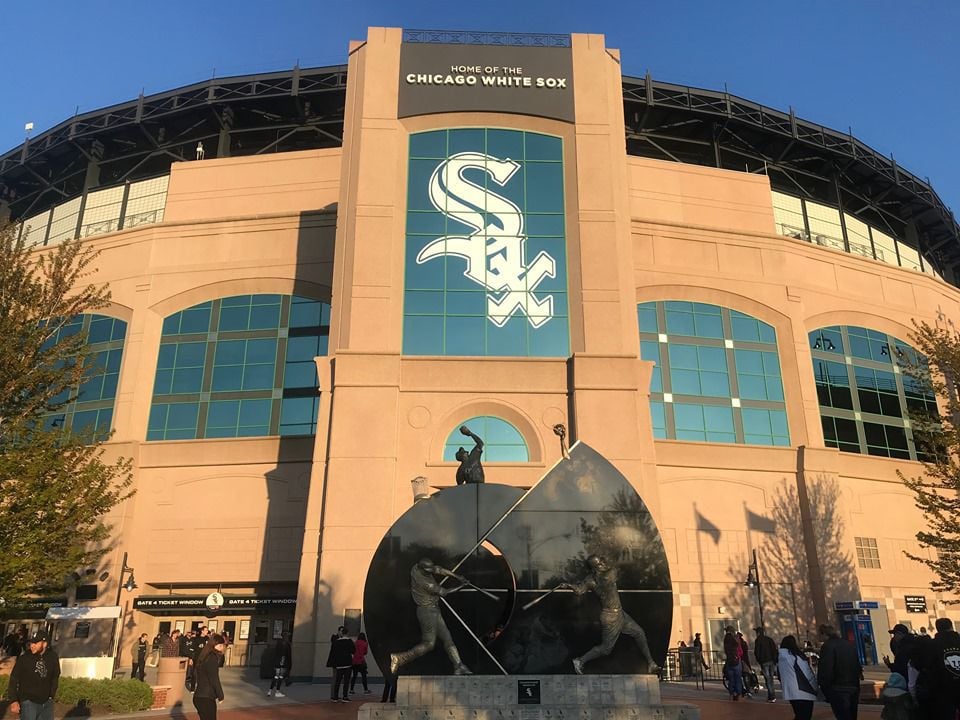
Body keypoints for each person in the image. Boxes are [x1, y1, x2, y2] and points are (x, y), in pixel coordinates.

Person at [562, 555, 658, 675]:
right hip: (611, 617)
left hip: (619, 614)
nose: (603, 563)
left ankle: (651, 663)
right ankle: (580, 661)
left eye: (602, 561)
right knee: (606, 649)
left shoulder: (590, 579)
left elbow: (580, 590)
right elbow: (619, 565)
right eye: (600, 563)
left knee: (639, 633)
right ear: (595, 567)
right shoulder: (609, 574)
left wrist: (569, 585)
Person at [389, 559, 473, 676]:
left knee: (448, 638)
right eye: (428, 570)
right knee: (429, 644)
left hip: (433, 610)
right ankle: (399, 658)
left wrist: (457, 576)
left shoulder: (416, 568)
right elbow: (444, 592)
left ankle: (458, 666)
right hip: (426, 612)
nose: (431, 571)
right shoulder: (424, 582)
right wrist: (461, 586)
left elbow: (438, 569)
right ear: (422, 569)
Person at [6, 630, 61, 720]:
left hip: (46, 702)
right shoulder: (24, 659)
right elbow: (14, 679)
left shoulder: (53, 657)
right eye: (31, 643)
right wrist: (14, 700)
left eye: (35, 643)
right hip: (28, 702)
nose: (32, 645)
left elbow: (55, 676)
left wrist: (51, 695)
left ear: (45, 644)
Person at [914, 617, 960, 719]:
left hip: (942, 691)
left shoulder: (932, 645)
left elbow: (924, 665)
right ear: (951, 626)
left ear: (937, 629)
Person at [817, 624, 862, 720]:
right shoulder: (848, 644)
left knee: (843, 716)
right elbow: (857, 664)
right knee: (852, 715)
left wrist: (825, 689)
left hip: (837, 687)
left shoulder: (828, 646)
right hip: (853, 685)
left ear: (824, 634)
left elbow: (826, 670)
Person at [778, 635, 818, 720]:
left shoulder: (781, 658)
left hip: (790, 693)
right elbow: (807, 674)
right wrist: (815, 687)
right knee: (805, 716)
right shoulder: (796, 657)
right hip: (803, 691)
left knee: (799, 715)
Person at [192, 633, 226, 720]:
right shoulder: (212, 658)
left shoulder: (204, 656)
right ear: (214, 645)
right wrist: (220, 695)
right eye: (220, 645)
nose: (222, 648)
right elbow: (214, 678)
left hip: (199, 696)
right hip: (206, 697)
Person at [329, 627, 355, 702]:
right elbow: (353, 651)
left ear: (341, 633)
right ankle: (345, 696)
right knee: (346, 681)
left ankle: (335, 697)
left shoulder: (336, 642)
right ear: (347, 633)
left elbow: (334, 652)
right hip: (347, 663)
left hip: (339, 664)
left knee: (338, 681)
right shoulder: (349, 641)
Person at [754, 626, 779, 703]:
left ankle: (771, 696)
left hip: (764, 662)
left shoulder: (758, 640)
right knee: (771, 678)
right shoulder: (769, 639)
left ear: (758, 633)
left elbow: (757, 652)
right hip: (771, 661)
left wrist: (759, 660)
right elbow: (774, 650)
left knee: (768, 679)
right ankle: (772, 695)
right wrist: (775, 660)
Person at [267, 633, 292, 698]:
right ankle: (277, 692)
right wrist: (288, 664)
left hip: (277, 662)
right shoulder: (286, 644)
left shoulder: (278, 643)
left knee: (276, 676)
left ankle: (270, 691)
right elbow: (287, 655)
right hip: (283, 662)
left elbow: (275, 653)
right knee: (280, 677)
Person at [722, 626, 744, 701]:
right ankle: (738, 694)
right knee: (738, 678)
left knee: (731, 679)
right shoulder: (735, 638)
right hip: (736, 660)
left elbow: (726, 650)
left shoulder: (725, 639)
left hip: (729, 660)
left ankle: (731, 694)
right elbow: (738, 646)